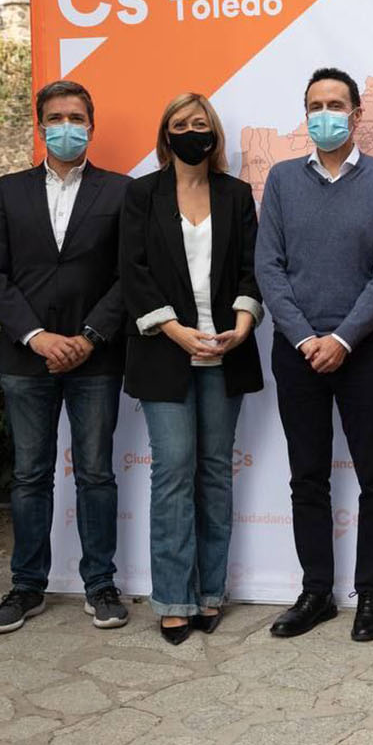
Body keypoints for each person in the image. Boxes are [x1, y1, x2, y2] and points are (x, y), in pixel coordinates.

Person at [255, 67, 373, 643]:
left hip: (362, 350)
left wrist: (342, 339)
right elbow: (269, 265)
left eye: (336, 104)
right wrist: (305, 338)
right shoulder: (282, 180)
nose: (325, 114)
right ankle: (316, 590)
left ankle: (372, 594)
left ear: (357, 113)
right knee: (307, 476)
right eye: (315, 104)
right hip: (296, 352)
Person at [0, 80, 130, 634]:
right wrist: (36, 335)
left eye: (76, 117)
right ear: (40, 125)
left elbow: (128, 276)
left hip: (95, 359)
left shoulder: (120, 192)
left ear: (92, 124)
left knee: (95, 474)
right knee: (29, 476)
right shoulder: (8, 191)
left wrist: (89, 336)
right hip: (27, 358)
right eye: (56, 117)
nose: (66, 126)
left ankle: (101, 585)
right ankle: (26, 586)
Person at [120, 92, 264, 645]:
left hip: (225, 354)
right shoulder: (141, 195)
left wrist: (243, 323)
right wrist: (174, 329)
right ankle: (173, 598)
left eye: (199, 123)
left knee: (213, 475)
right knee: (174, 472)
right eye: (179, 123)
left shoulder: (237, 194)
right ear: (166, 135)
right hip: (165, 353)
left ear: (214, 134)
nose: (190, 131)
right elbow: (132, 272)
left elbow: (253, 269)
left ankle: (209, 594)